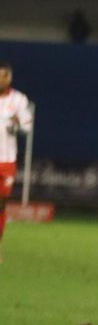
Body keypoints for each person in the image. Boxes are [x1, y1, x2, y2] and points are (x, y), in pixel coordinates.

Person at [0, 63, 33, 262]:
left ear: (10, 78)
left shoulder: (19, 99)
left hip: (6, 160)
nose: (2, 79)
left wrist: (16, 125)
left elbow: (27, 127)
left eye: (5, 76)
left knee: (1, 204)